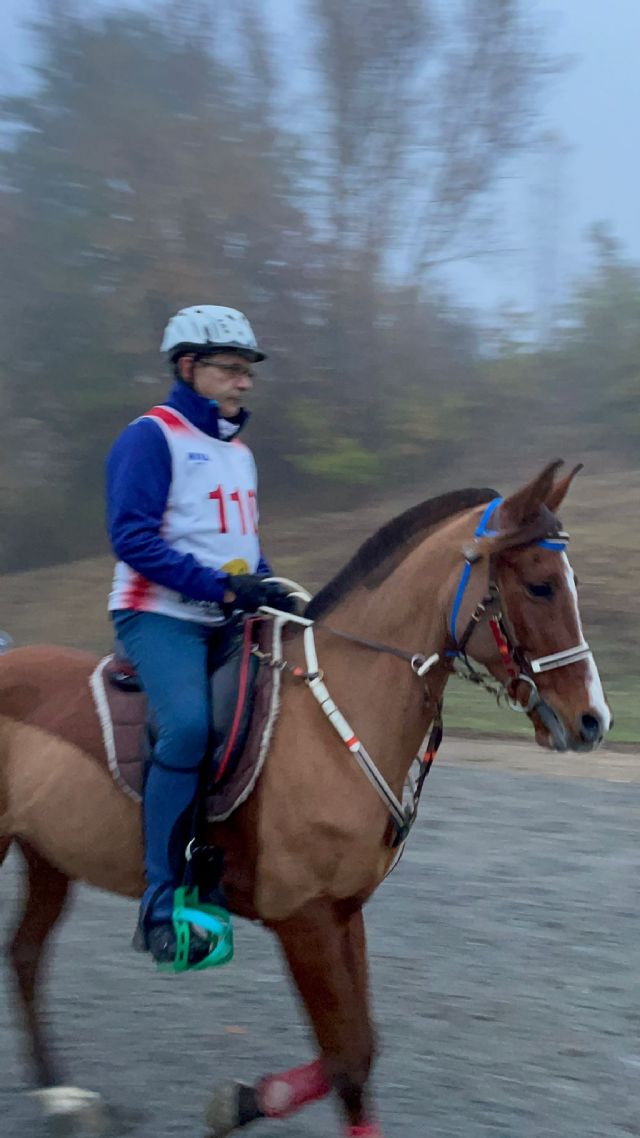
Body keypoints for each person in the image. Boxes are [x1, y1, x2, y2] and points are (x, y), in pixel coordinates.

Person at [106, 304, 294, 965]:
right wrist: (221, 587)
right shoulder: (148, 438)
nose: (245, 383)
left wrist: (268, 585)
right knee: (187, 724)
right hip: (156, 614)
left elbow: (239, 545)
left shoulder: (238, 454)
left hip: (227, 614)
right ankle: (160, 902)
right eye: (232, 370)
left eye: (248, 373)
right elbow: (131, 539)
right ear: (189, 366)